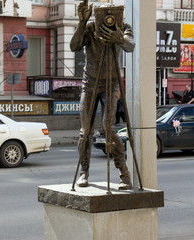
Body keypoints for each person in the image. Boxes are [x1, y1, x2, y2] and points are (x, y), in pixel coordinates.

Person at [70, 0, 135, 190]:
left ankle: (124, 173)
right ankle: (84, 173)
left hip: (110, 84)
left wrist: (119, 38)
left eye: (111, 12)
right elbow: (74, 46)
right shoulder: (90, 28)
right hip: (89, 84)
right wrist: (82, 22)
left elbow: (131, 45)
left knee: (108, 129)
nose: (107, 16)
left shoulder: (123, 27)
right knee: (85, 132)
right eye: (102, 13)